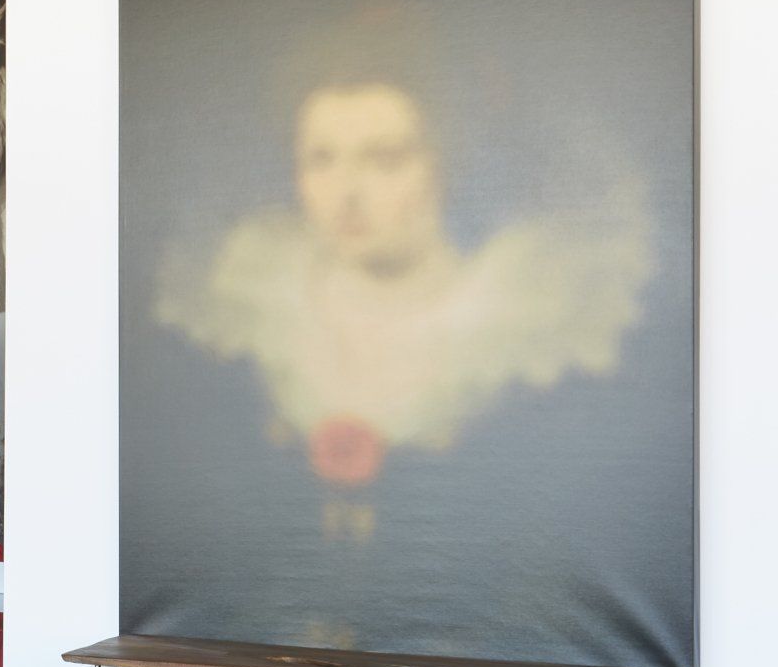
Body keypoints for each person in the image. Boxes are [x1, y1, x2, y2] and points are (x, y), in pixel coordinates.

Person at [156, 67, 651, 524]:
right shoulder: (256, 299)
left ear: (446, 168)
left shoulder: (516, 319)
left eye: (385, 161)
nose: (346, 192)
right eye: (321, 160)